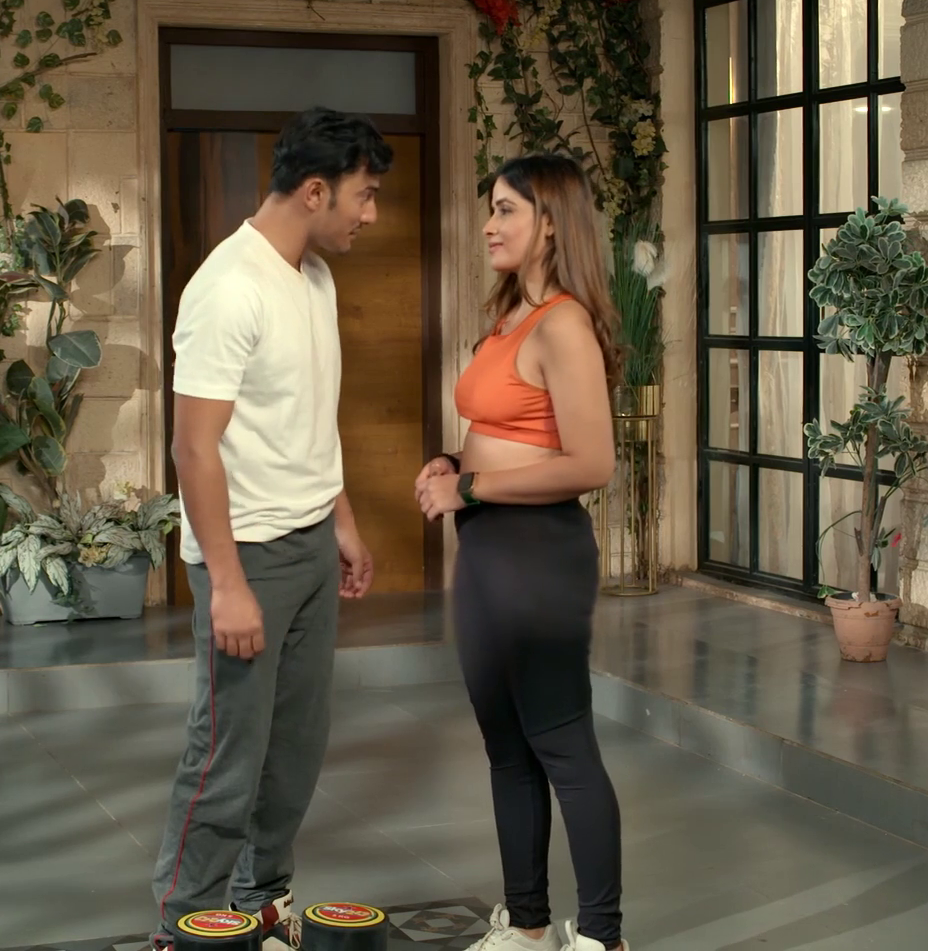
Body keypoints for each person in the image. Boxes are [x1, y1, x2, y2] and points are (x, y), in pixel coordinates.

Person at [150, 106, 389, 950]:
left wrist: (343, 522)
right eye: (363, 195)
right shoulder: (229, 288)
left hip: (311, 543)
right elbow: (193, 447)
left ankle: (261, 901)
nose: (370, 214)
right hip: (245, 553)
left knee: (294, 750)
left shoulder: (314, 278)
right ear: (315, 191)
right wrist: (228, 585)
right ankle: (182, 925)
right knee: (227, 755)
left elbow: (310, 420)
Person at [414, 154, 628, 951]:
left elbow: (591, 464)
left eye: (506, 209)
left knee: (563, 746)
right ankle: (529, 927)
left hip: (539, 557)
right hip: (486, 554)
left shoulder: (563, 324)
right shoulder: (510, 315)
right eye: (491, 208)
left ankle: (602, 937)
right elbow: (508, 433)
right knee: (506, 749)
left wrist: (470, 489)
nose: (489, 226)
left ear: (552, 224)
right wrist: (452, 462)